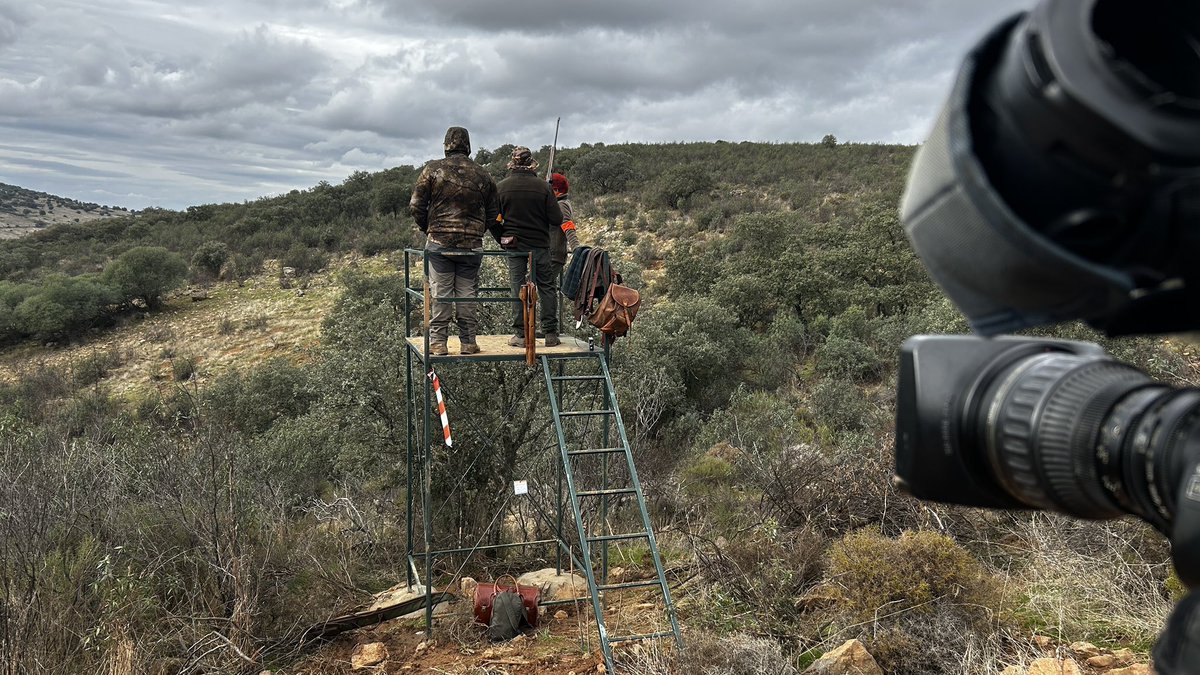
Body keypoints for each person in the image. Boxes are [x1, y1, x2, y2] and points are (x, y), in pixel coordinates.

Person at [409, 126, 500, 356]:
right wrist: (478, 231)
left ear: (446, 144)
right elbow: (494, 212)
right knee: (466, 293)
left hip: (439, 243)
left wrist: (428, 228)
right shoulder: (483, 174)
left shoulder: (432, 170)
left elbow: (416, 205)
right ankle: (468, 342)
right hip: (471, 245)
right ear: (468, 145)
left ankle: (438, 343)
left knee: (440, 293)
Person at [496, 146, 563, 347]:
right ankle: (550, 334)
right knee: (547, 287)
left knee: (517, 288)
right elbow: (556, 218)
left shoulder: (501, 187)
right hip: (540, 246)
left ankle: (520, 335)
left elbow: (491, 219)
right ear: (531, 163)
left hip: (515, 247)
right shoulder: (543, 187)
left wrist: (502, 237)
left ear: (512, 163)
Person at [548, 173, 581, 297]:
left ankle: (548, 316)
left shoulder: (561, 205)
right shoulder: (560, 203)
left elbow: (567, 224)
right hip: (553, 254)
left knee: (545, 287)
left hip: (553, 254)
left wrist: (576, 248)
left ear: (556, 190)